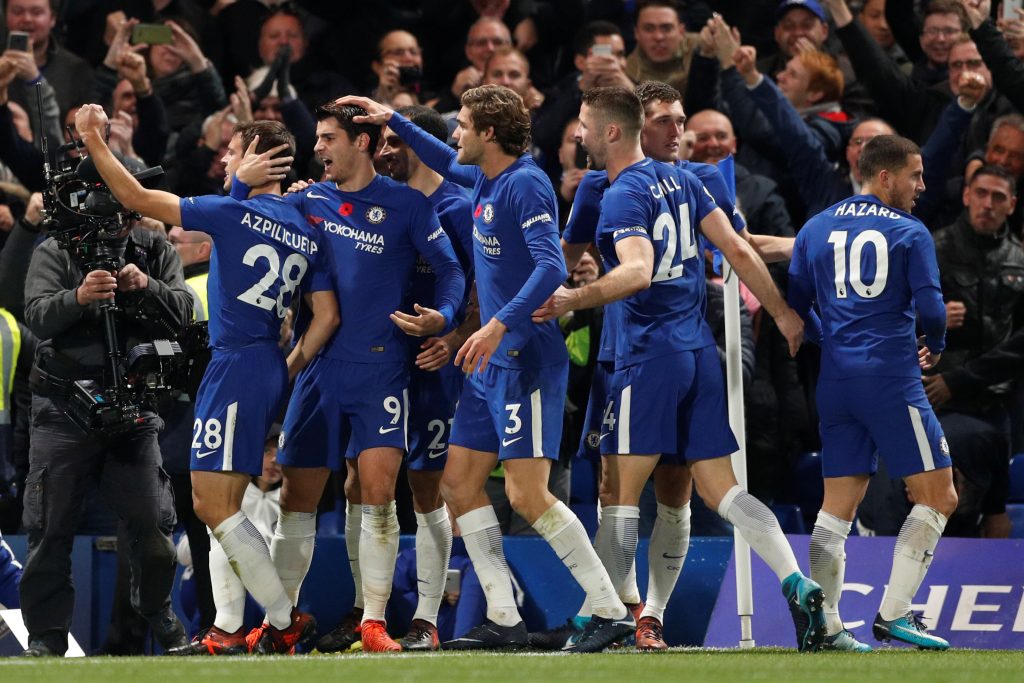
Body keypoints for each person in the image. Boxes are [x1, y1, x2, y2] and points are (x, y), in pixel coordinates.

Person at [336, 85, 633, 653]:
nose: (456, 134)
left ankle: (609, 608)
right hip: (488, 364)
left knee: (527, 494)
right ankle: (503, 614)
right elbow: (444, 158)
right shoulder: (486, 178)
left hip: (525, 359)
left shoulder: (525, 183)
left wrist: (497, 324)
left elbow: (551, 266)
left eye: (464, 124)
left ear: (489, 134)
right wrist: (391, 115)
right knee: (457, 484)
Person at [533, 85, 828, 654]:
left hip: (645, 357)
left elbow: (639, 270)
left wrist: (572, 299)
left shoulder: (628, 190)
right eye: (666, 120)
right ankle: (793, 579)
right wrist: (786, 313)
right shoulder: (677, 182)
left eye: (680, 120)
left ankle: (615, 612)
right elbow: (737, 252)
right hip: (690, 354)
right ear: (641, 125)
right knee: (713, 489)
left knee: (624, 492)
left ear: (615, 129)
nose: (677, 131)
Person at [75, 108, 339, 656]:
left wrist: (92, 138)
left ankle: (286, 619)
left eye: (233, 150)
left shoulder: (228, 213)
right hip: (265, 361)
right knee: (228, 505)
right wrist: (286, 366)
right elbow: (327, 314)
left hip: (236, 364)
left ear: (260, 158)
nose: (223, 159)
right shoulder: (303, 223)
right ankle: (224, 628)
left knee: (212, 506)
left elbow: (134, 196)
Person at [233, 102, 466, 654]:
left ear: (361, 143)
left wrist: (445, 318)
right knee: (297, 500)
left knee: (380, 495)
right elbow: (243, 229)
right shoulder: (308, 200)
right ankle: (282, 621)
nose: (318, 149)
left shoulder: (408, 206)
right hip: (319, 371)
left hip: (382, 371)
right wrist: (243, 189)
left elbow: (453, 268)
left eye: (328, 138)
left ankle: (375, 623)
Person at [787, 134, 957, 650]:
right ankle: (896, 613)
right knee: (940, 494)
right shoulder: (911, 232)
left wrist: (826, 339)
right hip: (890, 377)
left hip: (835, 382)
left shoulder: (815, 227)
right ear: (885, 177)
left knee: (835, 506)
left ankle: (829, 625)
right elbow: (930, 310)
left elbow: (796, 299)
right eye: (915, 175)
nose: (921, 186)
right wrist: (939, 342)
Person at [20, 164, 192, 657]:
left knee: (154, 528)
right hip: (63, 406)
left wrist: (148, 287)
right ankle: (47, 640)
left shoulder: (154, 250)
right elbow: (36, 314)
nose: (116, 222)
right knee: (49, 529)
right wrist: (77, 297)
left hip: (134, 405)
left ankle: (159, 613)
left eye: (124, 210)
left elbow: (183, 311)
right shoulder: (55, 250)